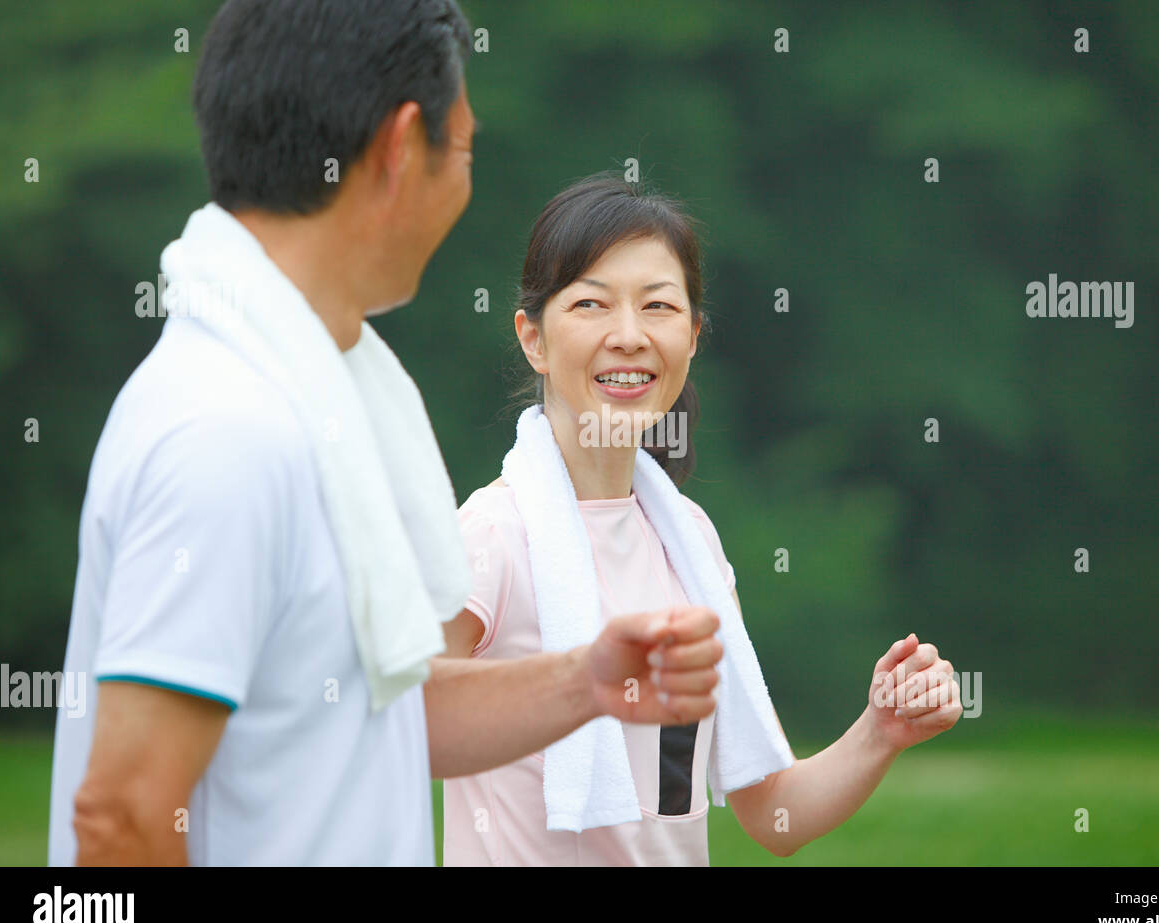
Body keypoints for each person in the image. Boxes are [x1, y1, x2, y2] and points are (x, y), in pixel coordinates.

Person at [48, 0, 723, 867]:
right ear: (403, 147)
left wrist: (585, 679)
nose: (466, 183)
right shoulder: (227, 433)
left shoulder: (320, 398)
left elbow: (380, 716)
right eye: (466, 149)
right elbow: (123, 817)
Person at [441, 172, 962, 865]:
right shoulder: (490, 538)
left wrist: (881, 730)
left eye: (657, 306)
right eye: (592, 304)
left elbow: (772, 814)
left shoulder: (693, 546)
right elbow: (397, 728)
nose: (628, 336)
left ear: (691, 337)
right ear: (533, 338)